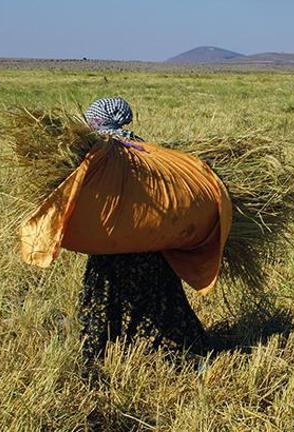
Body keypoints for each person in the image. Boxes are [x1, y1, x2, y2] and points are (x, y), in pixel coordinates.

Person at [79, 97, 209, 361]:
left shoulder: (99, 152)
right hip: (150, 245)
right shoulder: (149, 151)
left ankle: (110, 350)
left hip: (112, 245)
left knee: (110, 297)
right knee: (158, 297)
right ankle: (169, 350)